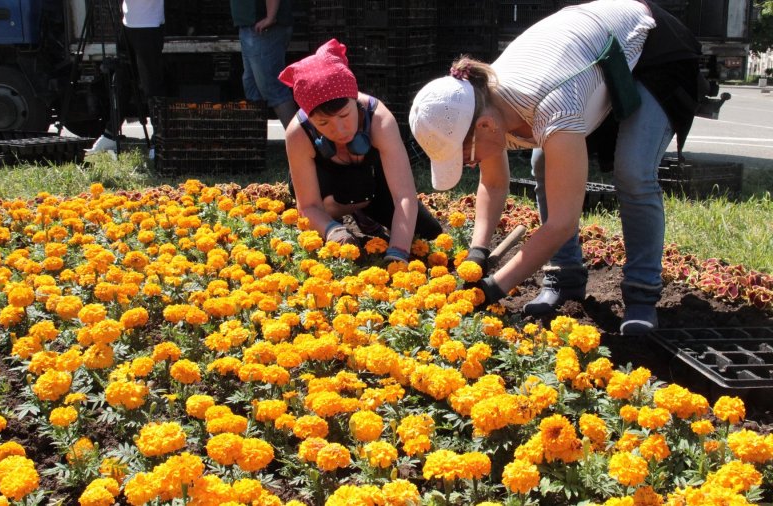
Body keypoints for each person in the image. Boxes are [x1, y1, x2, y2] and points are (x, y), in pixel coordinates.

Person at [409, 0, 704, 335]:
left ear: (486, 127)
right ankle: (564, 279)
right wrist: (477, 254)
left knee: (633, 172)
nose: (469, 164)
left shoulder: (552, 104)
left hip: (652, 46)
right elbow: (493, 184)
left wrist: (492, 289)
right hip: (587, 50)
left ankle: (641, 295)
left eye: (465, 155)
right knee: (543, 162)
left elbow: (563, 222)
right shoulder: (481, 105)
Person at [279, 39, 442, 262]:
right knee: (326, 212)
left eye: (344, 116)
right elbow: (308, 206)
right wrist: (333, 231)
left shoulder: (379, 120)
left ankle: (363, 210)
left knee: (428, 232)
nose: (339, 130)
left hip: (370, 184)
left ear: (355, 100)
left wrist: (397, 251)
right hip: (326, 191)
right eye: (324, 124)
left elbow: (404, 196)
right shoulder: (298, 133)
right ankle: (345, 211)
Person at [87, 0, 166, 154]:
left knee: (152, 86)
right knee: (122, 81)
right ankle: (110, 133)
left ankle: (159, 141)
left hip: (149, 26)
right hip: (128, 24)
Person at [231, 0, 298, 129]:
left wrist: (270, 17)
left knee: (273, 89)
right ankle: (257, 143)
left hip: (264, 29)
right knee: (252, 87)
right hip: (252, 28)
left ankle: (301, 142)